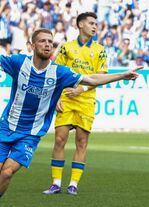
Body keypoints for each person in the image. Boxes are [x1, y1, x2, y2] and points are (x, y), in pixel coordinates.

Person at [0, 28, 142, 207]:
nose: (48, 45)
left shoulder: (60, 72)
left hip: (32, 134)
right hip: (7, 127)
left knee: (8, 172)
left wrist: (122, 75)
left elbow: (91, 79)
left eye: (50, 42)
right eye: (43, 41)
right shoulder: (19, 63)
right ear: (32, 45)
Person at [42, 12, 108, 196]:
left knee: (81, 142)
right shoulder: (66, 48)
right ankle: (56, 183)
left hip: (86, 100)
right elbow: (55, 72)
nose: (95, 27)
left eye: (96, 24)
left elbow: (101, 76)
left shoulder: (100, 50)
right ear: (80, 24)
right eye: (91, 23)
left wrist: (83, 89)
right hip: (66, 99)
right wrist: (54, 98)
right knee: (60, 139)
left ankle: (73, 184)